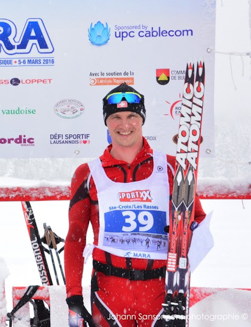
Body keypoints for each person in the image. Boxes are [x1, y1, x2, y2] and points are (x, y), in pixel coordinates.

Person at [64, 83, 206, 327]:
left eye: (132, 116)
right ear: (106, 123)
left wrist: (187, 235)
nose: (124, 124)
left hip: (162, 292)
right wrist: (73, 295)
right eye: (116, 117)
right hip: (109, 293)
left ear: (142, 120)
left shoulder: (172, 167)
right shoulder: (87, 174)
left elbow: (197, 219)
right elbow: (76, 236)